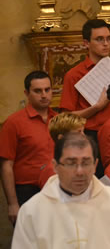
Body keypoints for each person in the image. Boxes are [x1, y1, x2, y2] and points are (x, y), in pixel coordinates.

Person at [12, 132, 110, 248]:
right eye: (71, 163)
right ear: (55, 166)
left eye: (86, 163)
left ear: (95, 165)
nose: (80, 171)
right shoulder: (32, 212)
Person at [0, 71, 57, 224]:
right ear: (27, 93)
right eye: (37, 91)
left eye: (47, 89)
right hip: (27, 191)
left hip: (56, 189)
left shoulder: (59, 120)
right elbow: (6, 165)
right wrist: (12, 204)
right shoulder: (14, 123)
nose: (44, 95)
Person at [59, 19, 110, 136]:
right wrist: (96, 107)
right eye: (99, 39)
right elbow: (66, 118)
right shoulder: (74, 75)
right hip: (89, 134)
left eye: (108, 39)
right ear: (86, 43)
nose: (106, 43)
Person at [38, 113, 86, 189]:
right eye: (78, 132)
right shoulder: (52, 171)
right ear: (61, 138)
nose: (84, 136)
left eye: (83, 131)